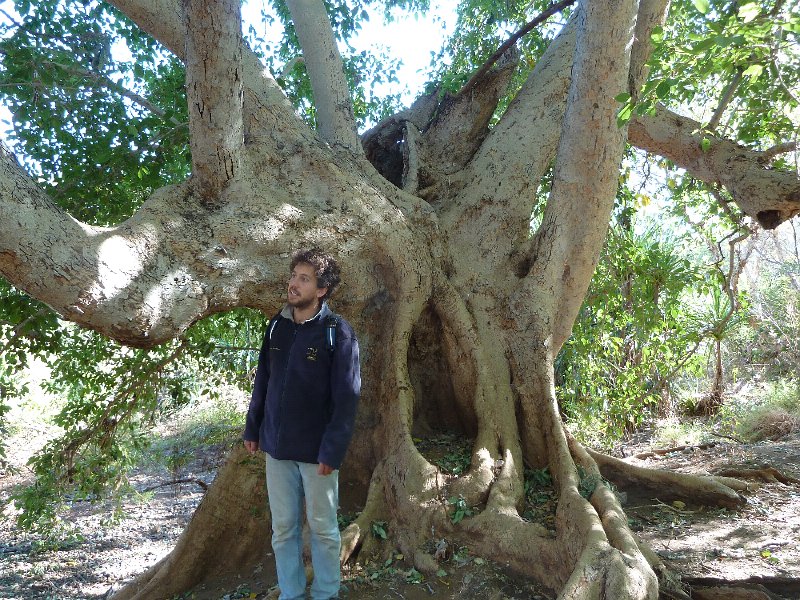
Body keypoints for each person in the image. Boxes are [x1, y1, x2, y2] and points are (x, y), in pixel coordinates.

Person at [244, 248, 361, 600]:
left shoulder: (336, 333)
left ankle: (327, 593)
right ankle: (291, 594)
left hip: (317, 454)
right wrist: (253, 428)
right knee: (283, 530)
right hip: (277, 448)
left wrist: (332, 450)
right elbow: (263, 380)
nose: (293, 284)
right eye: (294, 275)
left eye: (304, 278)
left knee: (324, 530)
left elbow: (347, 397)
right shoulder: (277, 326)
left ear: (322, 290)